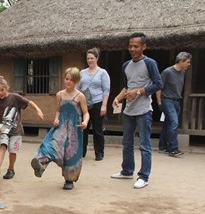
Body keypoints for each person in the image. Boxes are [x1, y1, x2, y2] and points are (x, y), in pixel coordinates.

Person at [111, 32, 162, 189]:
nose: (132, 49)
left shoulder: (150, 63)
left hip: (144, 110)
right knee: (127, 142)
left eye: (136, 46)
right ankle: (127, 170)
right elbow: (128, 86)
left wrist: (139, 92)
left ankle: (144, 176)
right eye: (130, 46)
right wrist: (118, 98)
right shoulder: (126, 65)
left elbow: (158, 84)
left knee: (145, 144)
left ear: (143, 47)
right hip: (128, 110)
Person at [30, 67, 89, 190]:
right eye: (66, 79)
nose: (68, 82)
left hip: (74, 129)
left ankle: (69, 180)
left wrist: (85, 121)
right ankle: (41, 164)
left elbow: (86, 112)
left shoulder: (80, 96)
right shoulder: (59, 95)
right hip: (61, 126)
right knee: (52, 145)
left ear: (76, 81)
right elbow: (58, 110)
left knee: (70, 153)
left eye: (71, 80)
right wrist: (56, 119)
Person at [0, 77, 44, 180]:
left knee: (12, 151)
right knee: (2, 146)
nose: (0, 93)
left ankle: (11, 169)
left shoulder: (14, 97)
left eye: (2, 90)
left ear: (7, 88)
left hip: (16, 131)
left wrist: (38, 110)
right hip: (5, 130)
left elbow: (29, 103)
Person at [77, 48, 111, 161]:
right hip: (84, 103)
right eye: (88, 58)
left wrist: (104, 105)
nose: (90, 60)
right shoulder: (82, 73)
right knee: (83, 128)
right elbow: (77, 88)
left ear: (97, 58)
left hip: (97, 102)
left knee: (97, 129)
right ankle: (82, 151)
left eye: (92, 58)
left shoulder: (102, 73)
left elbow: (106, 90)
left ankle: (99, 152)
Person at [157, 52, 192, 157]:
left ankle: (163, 146)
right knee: (174, 123)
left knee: (168, 123)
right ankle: (173, 149)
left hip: (177, 101)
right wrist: (159, 103)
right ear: (181, 61)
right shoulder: (167, 72)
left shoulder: (183, 72)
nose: (189, 64)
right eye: (187, 62)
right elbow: (159, 88)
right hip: (167, 100)